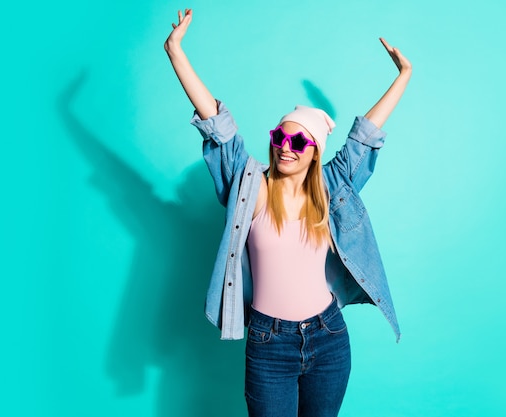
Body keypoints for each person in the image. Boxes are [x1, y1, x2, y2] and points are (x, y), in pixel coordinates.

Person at [164, 8, 412, 417]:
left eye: (299, 141)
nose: (285, 146)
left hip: (329, 336)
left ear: (314, 152)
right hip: (268, 343)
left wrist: (403, 75)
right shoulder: (250, 186)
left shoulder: (331, 188)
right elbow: (217, 127)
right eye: (280, 136)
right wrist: (176, 54)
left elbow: (365, 137)